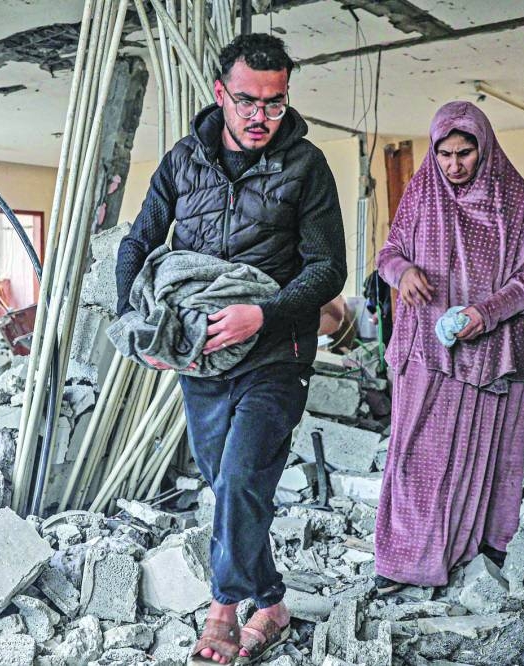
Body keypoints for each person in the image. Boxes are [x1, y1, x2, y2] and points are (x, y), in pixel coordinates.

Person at [115, 34, 346, 664]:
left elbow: (328, 271)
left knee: (243, 476)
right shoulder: (183, 160)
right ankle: (270, 604)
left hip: (277, 353)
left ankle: (221, 611)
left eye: (275, 104)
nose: (260, 117)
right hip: (203, 355)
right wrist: (141, 332)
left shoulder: (307, 166)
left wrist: (262, 314)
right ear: (220, 94)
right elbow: (136, 244)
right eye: (247, 101)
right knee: (229, 486)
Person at [373, 101, 524, 594]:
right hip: (426, 352)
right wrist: (402, 272)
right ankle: (404, 561)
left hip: (487, 354)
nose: (453, 166)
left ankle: (466, 557)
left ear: (484, 149)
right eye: (445, 154)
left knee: (477, 460)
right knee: (415, 457)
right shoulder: (423, 190)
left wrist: (486, 313)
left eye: (464, 154)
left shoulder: (513, 199)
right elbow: (389, 252)